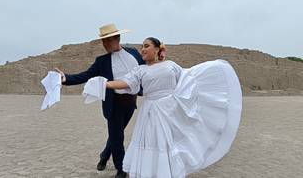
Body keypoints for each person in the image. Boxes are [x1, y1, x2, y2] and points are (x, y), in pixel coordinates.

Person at [100, 37, 243, 178]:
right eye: (142, 47)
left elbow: (187, 80)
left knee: (169, 143)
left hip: (169, 111)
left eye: (146, 46)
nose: (142, 49)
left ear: (157, 49)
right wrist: (104, 84)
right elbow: (124, 82)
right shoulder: (140, 70)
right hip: (150, 112)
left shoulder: (171, 65)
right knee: (152, 141)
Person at [55, 23, 145, 178]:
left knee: (117, 134)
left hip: (130, 102)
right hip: (114, 103)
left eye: (108, 40)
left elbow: (146, 70)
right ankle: (121, 170)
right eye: (103, 41)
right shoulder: (102, 61)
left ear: (118, 38)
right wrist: (66, 79)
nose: (105, 44)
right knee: (117, 137)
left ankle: (104, 155)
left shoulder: (134, 53)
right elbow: (85, 75)